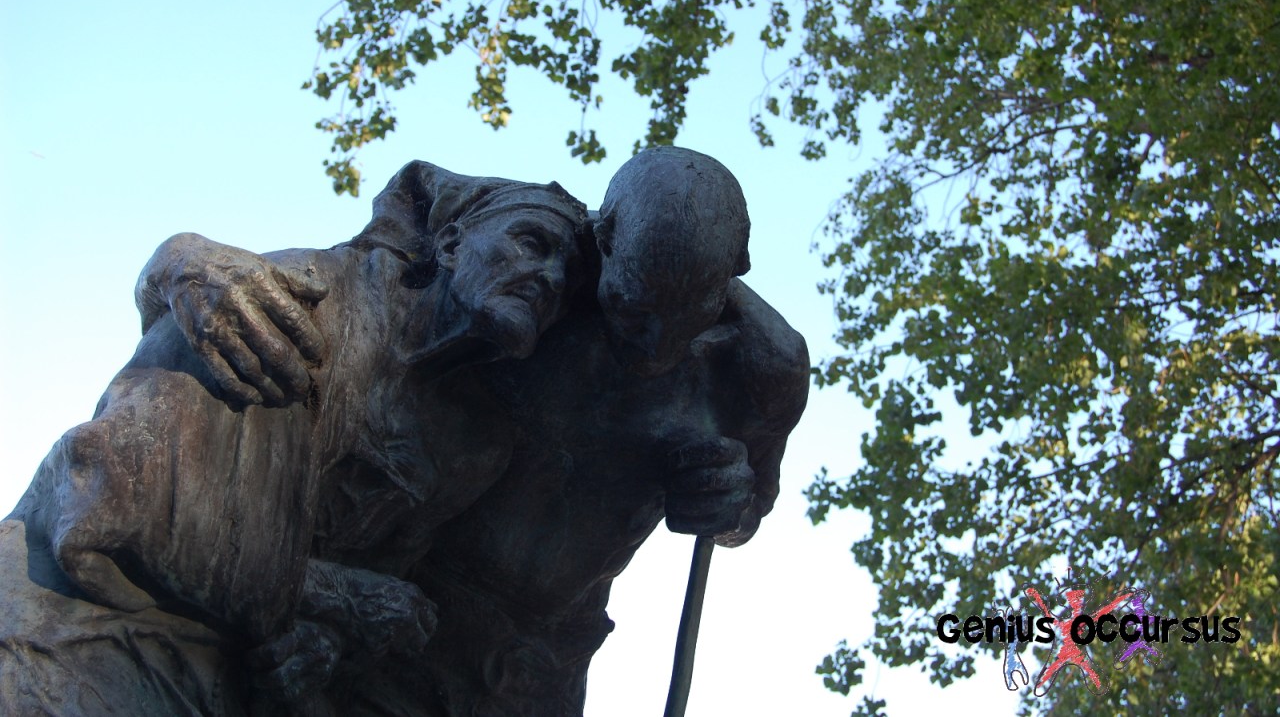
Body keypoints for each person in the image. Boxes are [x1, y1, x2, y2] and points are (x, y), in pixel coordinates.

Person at [145, 148, 809, 715]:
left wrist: (726, 503)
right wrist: (183, 260)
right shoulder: (543, 263)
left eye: (689, 314)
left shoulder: (761, 368)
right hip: (393, 625)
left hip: (534, 672)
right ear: (603, 237)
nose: (656, 347)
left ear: (738, 269)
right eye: (633, 311)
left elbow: (744, 517)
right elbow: (372, 266)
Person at [0, 164, 589, 715]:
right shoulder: (307, 298)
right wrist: (338, 598)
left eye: (568, 277)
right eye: (532, 244)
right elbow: (118, 492)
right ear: (454, 243)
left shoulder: (475, 447)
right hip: (70, 622)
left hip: (220, 679)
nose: (550, 279)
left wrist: (320, 644)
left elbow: (372, 606)